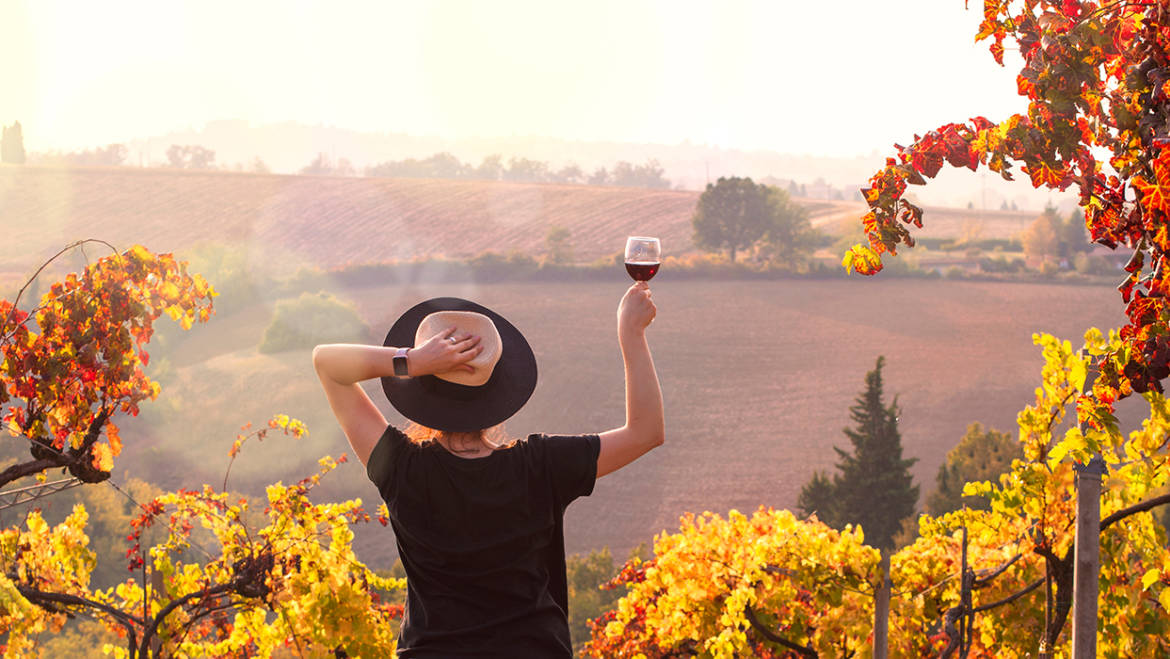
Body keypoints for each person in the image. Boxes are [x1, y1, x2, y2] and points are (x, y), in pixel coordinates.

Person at [311, 281, 663, 657]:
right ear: (500, 384)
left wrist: (413, 361)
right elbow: (646, 432)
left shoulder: (400, 467)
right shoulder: (541, 465)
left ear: (422, 392)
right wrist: (631, 332)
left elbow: (327, 363)